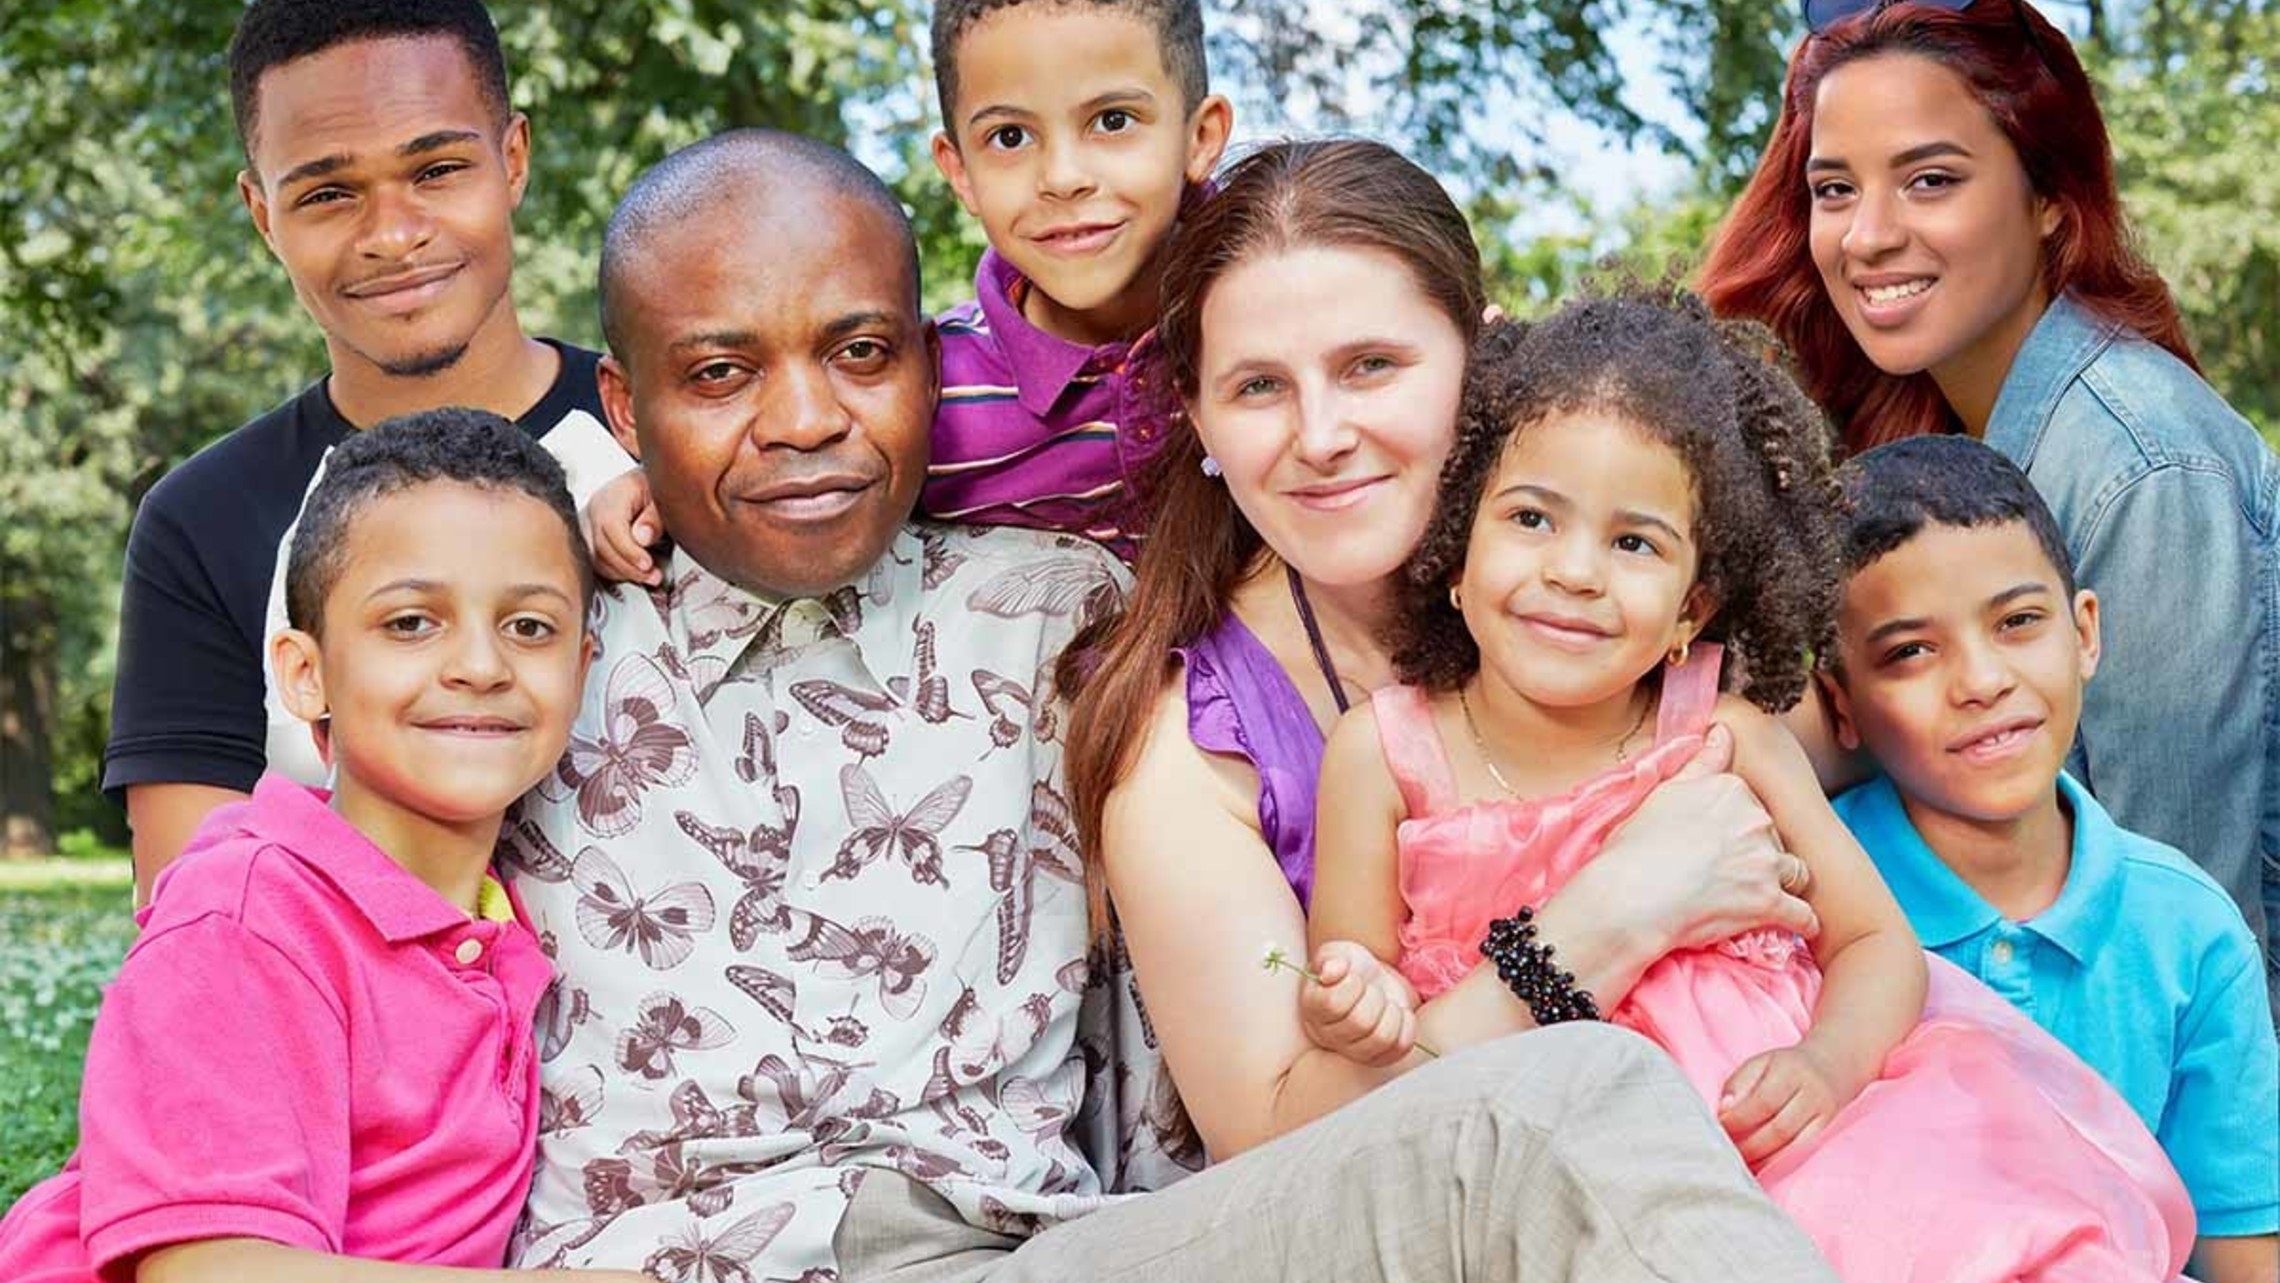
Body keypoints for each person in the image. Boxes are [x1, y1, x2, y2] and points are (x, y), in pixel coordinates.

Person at [503, 127, 1840, 1283]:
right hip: (672, 1253)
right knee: (1577, 1097)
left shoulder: (1046, 617)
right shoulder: (530, 642)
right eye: (720, 373)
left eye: (860, 352)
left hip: (1035, 1246)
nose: (803, 417)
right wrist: (566, 486)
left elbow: (1836, 726)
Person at [1305, 287, 2199, 1282]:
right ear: (1457, 550)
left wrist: (1827, 1064)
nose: (1575, 571)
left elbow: (1873, 941)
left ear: (1692, 606)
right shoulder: (1384, 754)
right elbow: (1351, 979)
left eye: (1634, 542)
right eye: (1530, 518)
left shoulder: (1724, 737)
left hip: (1808, 1149)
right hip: (1562, 1185)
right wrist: (1354, 999)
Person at [1699, 0, 2279, 1010]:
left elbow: (2186, 944)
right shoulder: (1938, 445)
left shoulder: (2139, 465)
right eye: (1835, 189)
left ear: (2049, 196)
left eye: (1930, 180)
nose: (1869, 236)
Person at [0, 410, 648, 1283]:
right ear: (306, 674)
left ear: (582, 667)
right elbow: (207, 1273)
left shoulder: (515, 911)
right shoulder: (246, 917)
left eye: (530, 626)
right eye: (411, 622)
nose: (481, 665)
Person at [103, 0, 630, 900]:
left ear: (512, 159)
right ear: (263, 215)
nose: (392, 234)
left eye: (437, 169)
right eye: (328, 193)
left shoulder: (666, 441)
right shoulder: (204, 521)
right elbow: (198, 924)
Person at [1823, 435, 2278, 1283]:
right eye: (1910, 651)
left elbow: (2243, 1260)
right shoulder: (1807, 901)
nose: (1982, 680)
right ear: (1841, 702)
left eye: (2017, 622)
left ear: (2085, 632)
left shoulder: (2191, 934)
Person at [581, 0, 1233, 583]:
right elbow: (782, 476)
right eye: (1010, 137)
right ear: (959, 171)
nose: (1063, 177)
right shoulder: (930, 391)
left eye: (1113, 120)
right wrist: (650, 491)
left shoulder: (1263, 320)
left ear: (1200, 138)